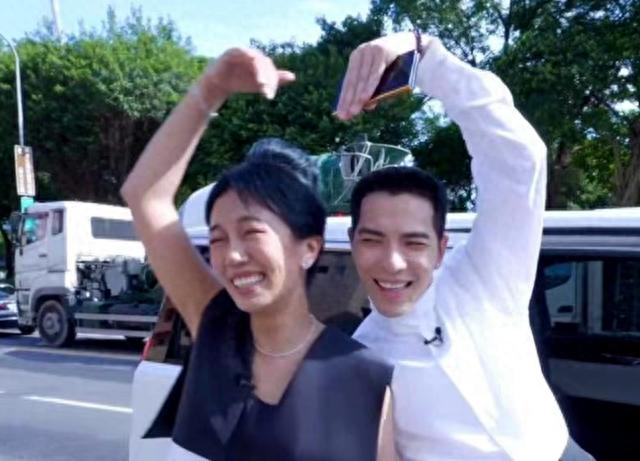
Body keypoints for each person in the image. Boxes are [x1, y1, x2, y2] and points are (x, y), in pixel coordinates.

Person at [121, 48, 395, 460]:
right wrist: (210, 88)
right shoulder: (215, 325)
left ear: (309, 248)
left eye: (251, 233)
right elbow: (145, 194)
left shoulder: (363, 376)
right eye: (218, 238)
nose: (232, 256)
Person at [336, 32, 594, 460]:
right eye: (373, 240)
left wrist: (422, 55)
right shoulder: (360, 359)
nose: (393, 262)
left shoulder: (485, 278)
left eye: (414, 242)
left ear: (441, 249)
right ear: (352, 244)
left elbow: (519, 159)